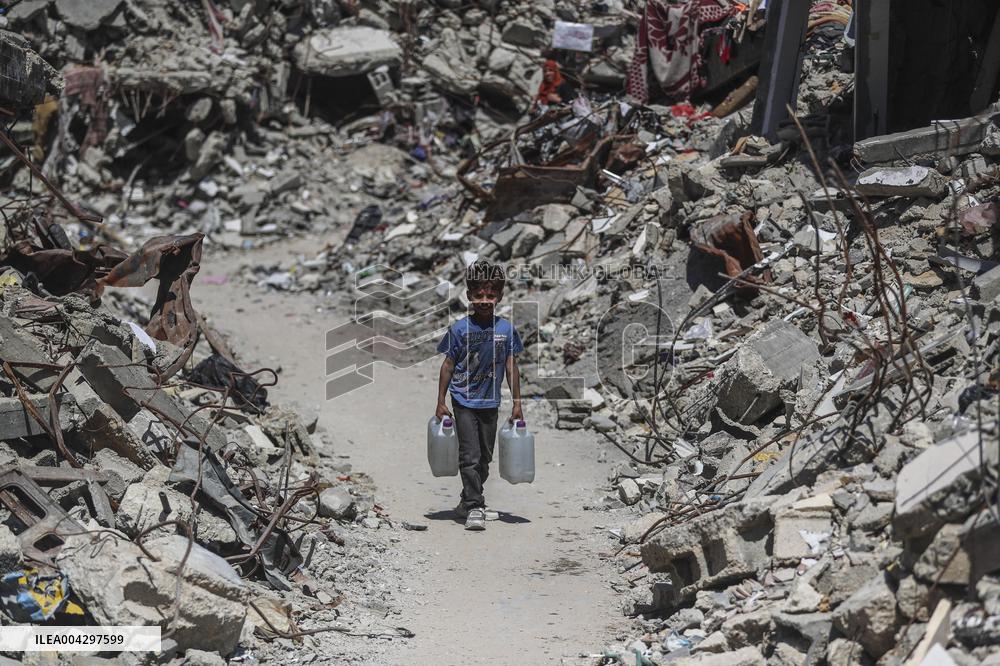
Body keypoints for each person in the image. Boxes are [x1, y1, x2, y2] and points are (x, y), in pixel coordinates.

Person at [435, 260, 524, 531]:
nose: (485, 300)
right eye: (479, 295)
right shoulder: (460, 330)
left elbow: (511, 366)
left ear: (499, 296)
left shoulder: (506, 330)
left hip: (490, 401)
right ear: (469, 296)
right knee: (470, 456)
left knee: (484, 459)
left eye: (490, 295)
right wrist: (440, 402)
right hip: (462, 400)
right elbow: (448, 364)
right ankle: (475, 506)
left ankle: (466, 500)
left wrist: (517, 403)